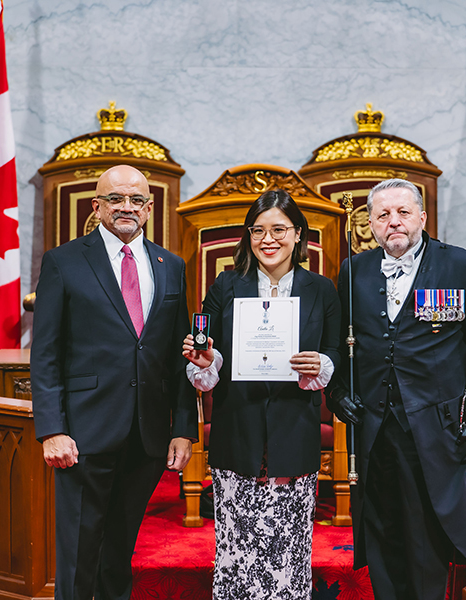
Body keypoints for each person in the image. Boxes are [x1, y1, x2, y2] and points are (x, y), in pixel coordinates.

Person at [327, 179, 466, 600]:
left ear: (422, 218)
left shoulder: (461, 267)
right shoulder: (354, 270)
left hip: (436, 430)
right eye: (383, 215)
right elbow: (338, 344)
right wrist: (337, 393)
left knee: (427, 540)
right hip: (372, 431)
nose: (394, 222)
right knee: (381, 533)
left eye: (403, 212)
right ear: (370, 225)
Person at [31, 164, 197, 600]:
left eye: (137, 200)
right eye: (116, 199)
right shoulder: (64, 261)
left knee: (120, 548)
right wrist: (51, 429)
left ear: (149, 208)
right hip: (83, 434)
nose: (127, 207)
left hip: (146, 435)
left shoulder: (171, 265)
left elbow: (178, 356)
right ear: (97, 205)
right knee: (79, 552)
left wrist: (183, 427)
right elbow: (45, 352)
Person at [182, 189, 341, 599]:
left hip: (295, 429)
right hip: (239, 428)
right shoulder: (226, 286)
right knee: (237, 551)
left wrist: (321, 364)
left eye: (279, 229)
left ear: (298, 234)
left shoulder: (322, 289)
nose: (268, 239)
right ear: (248, 236)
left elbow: (337, 351)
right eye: (258, 230)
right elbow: (207, 348)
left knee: (288, 552)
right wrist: (205, 361)